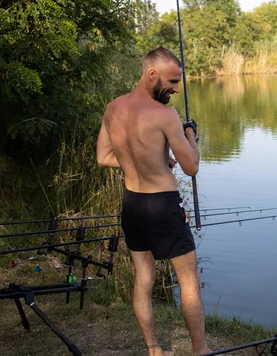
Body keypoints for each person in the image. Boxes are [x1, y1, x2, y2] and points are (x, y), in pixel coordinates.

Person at [96, 47, 212, 356]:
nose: (175, 89)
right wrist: (190, 135)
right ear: (151, 74)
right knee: (188, 281)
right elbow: (192, 167)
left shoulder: (113, 108)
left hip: (132, 204)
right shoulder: (165, 114)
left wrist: (151, 161)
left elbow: (104, 157)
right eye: (172, 82)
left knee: (143, 279)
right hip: (162, 205)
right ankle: (200, 351)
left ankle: (154, 351)